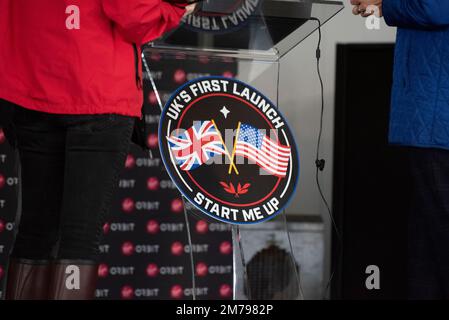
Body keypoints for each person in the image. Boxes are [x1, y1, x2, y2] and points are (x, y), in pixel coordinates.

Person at [0, 0, 196, 300]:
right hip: (95, 88)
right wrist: (178, 7)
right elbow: (132, 13)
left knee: (35, 232)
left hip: (29, 83)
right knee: (78, 240)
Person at [351, 0, 449, 299]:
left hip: (438, 121)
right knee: (425, 252)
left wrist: (383, 3)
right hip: (429, 119)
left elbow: (436, 7)